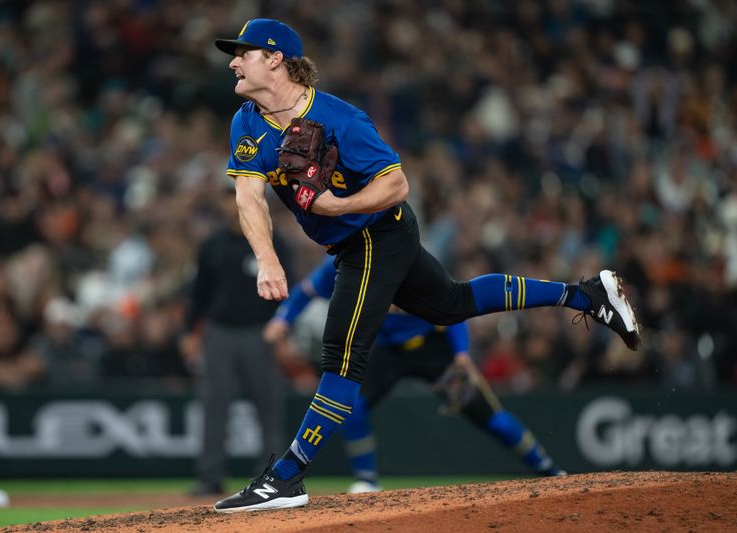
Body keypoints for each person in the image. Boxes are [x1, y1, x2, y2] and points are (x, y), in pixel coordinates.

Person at [212, 18, 640, 512]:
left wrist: (335, 206)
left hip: (377, 232)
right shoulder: (245, 120)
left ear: (275, 59)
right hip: (358, 242)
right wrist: (267, 260)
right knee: (451, 304)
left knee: (341, 354)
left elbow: (396, 184)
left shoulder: (341, 119)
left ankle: (285, 478)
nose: (233, 61)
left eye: (243, 52)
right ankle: (586, 294)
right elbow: (248, 197)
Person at [263, 256, 566, 494]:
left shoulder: (408, 258)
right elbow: (306, 291)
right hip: (384, 351)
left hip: (431, 350)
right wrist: (283, 318)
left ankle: (547, 468)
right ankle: (367, 480)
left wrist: (461, 354)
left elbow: (454, 304)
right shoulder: (342, 262)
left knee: (488, 416)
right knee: (352, 406)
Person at [180, 182, 293, 496]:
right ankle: (210, 476)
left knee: (268, 405)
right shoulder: (212, 245)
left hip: (262, 332)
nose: (234, 202)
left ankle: (271, 477)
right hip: (220, 333)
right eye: (228, 195)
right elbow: (199, 294)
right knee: (214, 406)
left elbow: (288, 289)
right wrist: (190, 331)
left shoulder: (272, 242)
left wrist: (285, 330)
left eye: (237, 194)